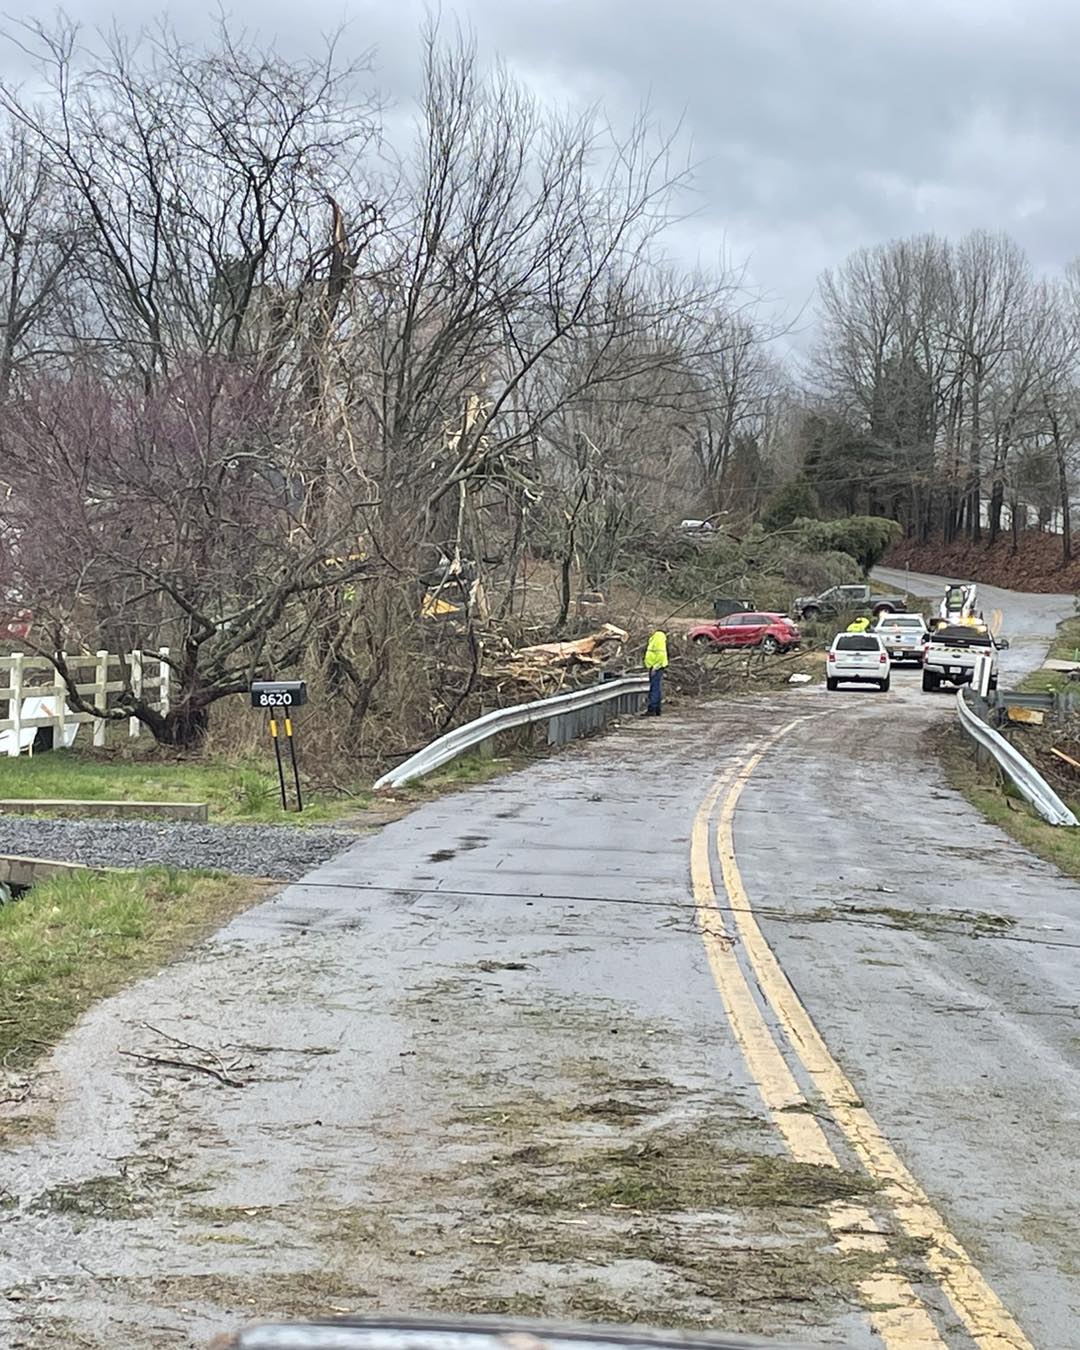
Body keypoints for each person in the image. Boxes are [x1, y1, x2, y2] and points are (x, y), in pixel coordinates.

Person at [644, 629, 668, 715]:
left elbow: (660, 655)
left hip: (656, 667)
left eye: (649, 629)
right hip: (653, 666)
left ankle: (652, 709)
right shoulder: (654, 638)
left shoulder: (658, 639)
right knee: (656, 687)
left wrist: (655, 667)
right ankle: (657, 709)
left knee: (654, 688)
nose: (648, 631)